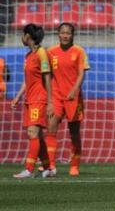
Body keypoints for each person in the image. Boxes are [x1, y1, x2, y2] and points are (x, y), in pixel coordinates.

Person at [43, 23, 90, 177]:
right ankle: (50, 166)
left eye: (68, 33)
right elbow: (47, 74)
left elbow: (82, 74)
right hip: (56, 95)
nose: (65, 36)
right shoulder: (51, 52)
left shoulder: (79, 51)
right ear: (58, 34)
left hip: (73, 97)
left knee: (74, 132)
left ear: (72, 35)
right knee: (51, 127)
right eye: (62, 33)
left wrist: (74, 90)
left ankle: (74, 165)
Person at [10, 24, 52, 179]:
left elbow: (47, 77)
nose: (22, 37)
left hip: (39, 99)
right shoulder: (28, 56)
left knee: (32, 132)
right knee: (38, 135)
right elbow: (27, 81)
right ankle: (48, 167)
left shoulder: (42, 53)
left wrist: (50, 101)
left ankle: (29, 169)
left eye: (23, 34)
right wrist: (17, 97)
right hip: (30, 99)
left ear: (28, 36)